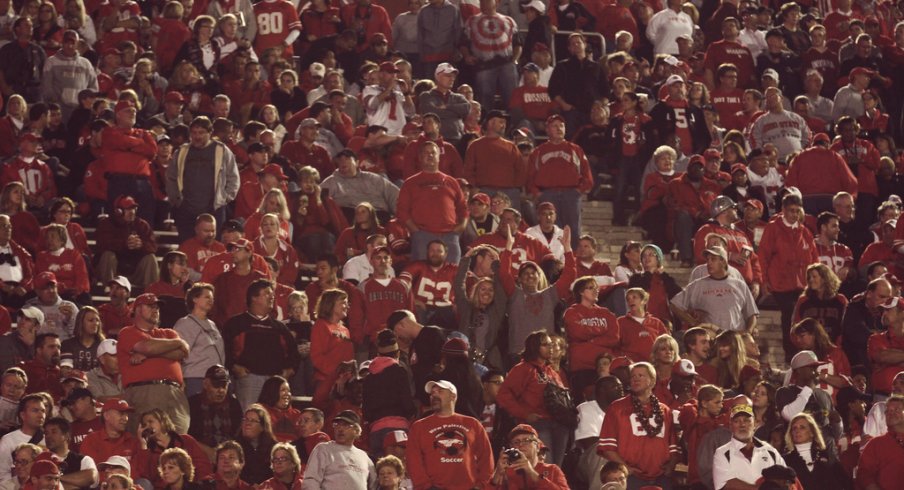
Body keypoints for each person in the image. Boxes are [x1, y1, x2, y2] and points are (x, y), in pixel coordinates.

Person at [117, 293, 190, 434]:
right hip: (146, 391)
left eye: (157, 307)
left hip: (175, 393)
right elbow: (147, 347)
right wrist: (176, 344)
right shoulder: (127, 332)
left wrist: (149, 354)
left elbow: (183, 352)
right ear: (138, 309)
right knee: (149, 439)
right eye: (150, 306)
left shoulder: (169, 333)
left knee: (179, 440)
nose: (155, 309)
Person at [598, 362, 679, 489]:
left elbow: (673, 447)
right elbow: (607, 448)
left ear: (652, 381)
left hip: (662, 478)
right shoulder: (616, 408)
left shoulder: (665, 410)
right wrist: (626, 468)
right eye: (633, 376)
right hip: (631, 478)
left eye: (641, 375)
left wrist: (670, 466)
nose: (635, 379)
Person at [759, 193, 819, 361]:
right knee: (791, 314)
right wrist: (764, 281)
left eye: (797, 210)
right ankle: (790, 354)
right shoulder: (773, 229)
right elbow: (763, 255)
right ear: (783, 210)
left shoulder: (804, 232)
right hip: (780, 285)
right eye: (791, 210)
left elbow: (814, 259)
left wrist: (817, 282)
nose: (794, 214)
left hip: (802, 285)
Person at [223, 279, 299, 409]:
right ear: (254, 298)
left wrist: (289, 371)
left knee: (274, 419)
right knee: (249, 418)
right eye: (267, 293)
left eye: (272, 294)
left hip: (275, 381)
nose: (272, 297)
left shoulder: (279, 327)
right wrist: (234, 367)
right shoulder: (235, 323)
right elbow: (224, 350)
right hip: (248, 380)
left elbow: (294, 353)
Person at [406, 380, 493, 488]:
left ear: (452, 396)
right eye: (432, 393)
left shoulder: (472, 424)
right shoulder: (418, 427)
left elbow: (486, 457)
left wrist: (481, 485)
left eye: (440, 391)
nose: (434, 395)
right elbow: (413, 461)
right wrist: (426, 487)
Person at [166, 116, 240, 243]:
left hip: (214, 210)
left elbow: (233, 178)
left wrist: (224, 198)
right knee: (187, 247)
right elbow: (171, 177)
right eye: (194, 133)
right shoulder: (182, 151)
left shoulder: (222, 151)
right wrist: (176, 200)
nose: (197, 136)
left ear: (210, 133)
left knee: (212, 248)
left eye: (201, 133)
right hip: (186, 210)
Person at [525, 116, 592, 245]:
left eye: (561, 125)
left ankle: (572, 260)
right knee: (550, 231)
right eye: (555, 126)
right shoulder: (538, 151)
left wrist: (578, 191)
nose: (559, 128)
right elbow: (530, 177)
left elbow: (587, 175)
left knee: (573, 232)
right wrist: (538, 193)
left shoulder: (575, 150)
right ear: (547, 129)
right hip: (548, 194)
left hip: (571, 194)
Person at [397, 141, 467, 263]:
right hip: (422, 236)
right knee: (421, 274)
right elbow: (402, 211)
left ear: (439, 157)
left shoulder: (451, 181)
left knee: (453, 274)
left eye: (433, 153)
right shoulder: (410, 183)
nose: (430, 155)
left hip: (450, 235)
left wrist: (460, 227)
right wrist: (415, 231)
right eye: (426, 153)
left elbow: (463, 208)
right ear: (420, 157)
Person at [671, 246, 759, 333]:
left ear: (724, 262)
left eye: (713, 259)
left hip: (735, 338)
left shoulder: (740, 285)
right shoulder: (698, 285)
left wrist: (749, 332)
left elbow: (752, 313)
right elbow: (674, 305)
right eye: (707, 260)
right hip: (710, 339)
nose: (709, 263)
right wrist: (694, 323)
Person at [99, 101, 158, 225]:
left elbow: (152, 151)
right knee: (118, 221)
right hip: (119, 182)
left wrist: (129, 146)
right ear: (118, 115)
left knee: (144, 222)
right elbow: (121, 141)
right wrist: (140, 144)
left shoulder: (144, 133)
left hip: (142, 183)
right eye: (128, 111)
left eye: (134, 111)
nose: (132, 113)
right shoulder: (109, 132)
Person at [712, 403, 785, 490]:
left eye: (746, 420)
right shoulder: (721, 453)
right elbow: (726, 486)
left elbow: (786, 478)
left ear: (754, 424)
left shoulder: (770, 451)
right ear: (730, 426)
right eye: (737, 421)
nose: (742, 425)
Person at [463, 111, 526, 210]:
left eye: (504, 123)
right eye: (501, 122)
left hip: (509, 192)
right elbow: (468, 170)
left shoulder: (511, 146)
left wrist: (516, 188)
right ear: (491, 123)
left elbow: (520, 169)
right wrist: (475, 187)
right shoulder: (475, 145)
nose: (504, 125)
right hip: (484, 191)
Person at [776, 351, 839, 449]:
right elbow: (791, 416)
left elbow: (833, 431)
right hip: (797, 454)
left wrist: (838, 423)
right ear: (798, 371)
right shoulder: (784, 392)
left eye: (816, 367)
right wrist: (809, 388)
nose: (816, 370)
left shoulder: (823, 395)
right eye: (811, 367)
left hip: (824, 455)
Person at [94, 195, 159, 289]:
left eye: (134, 208)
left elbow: (154, 246)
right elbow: (102, 244)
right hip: (113, 273)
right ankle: (110, 290)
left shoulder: (142, 224)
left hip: (135, 272)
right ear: (118, 211)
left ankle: (151, 293)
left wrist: (141, 245)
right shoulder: (107, 224)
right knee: (108, 255)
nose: (132, 212)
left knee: (151, 258)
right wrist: (124, 244)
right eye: (128, 209)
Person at [547, 33, 605, 137]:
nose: (576, 45)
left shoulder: (597, 67)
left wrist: (600, 106)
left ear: (585, 45)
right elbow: (553, 89)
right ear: (569, 48)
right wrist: (564, 105)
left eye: (578, 42)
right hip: (571, 112)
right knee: (571, 139)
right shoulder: (562, 66)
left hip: (591, 112)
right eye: (573, 44)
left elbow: (605, 90)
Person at [138, 409, 211, 489]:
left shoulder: (186, 440)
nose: (147, 426)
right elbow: (144, 476)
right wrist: (143, 445)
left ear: (162, 421)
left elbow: (203, 465)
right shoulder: (148, 450)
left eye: (150, 422)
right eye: (144, 424)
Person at [301, 411, 375, 489]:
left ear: (356, 431)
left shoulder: (363, 456)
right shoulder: (323, 449)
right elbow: (311, 480)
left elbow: (374, 485)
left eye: (345, 425)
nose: (340, 429)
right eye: (337, 425)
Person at [173, 283, 223, 397]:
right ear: (194, 299)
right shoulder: (185, 323)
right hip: (195, 378)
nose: (211, 300)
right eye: (207, 297)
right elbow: (178, 354)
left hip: (216, 379)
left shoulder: (212, 324)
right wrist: (179, 379)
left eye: (212, 298)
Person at [78, 398, 142, 480]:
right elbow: (88, 473)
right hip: (101, 487)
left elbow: (139, 471)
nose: (126, 418)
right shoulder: (91, 440)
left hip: (128, 485)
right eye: (121, 413)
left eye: (126, 414)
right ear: (106, 416)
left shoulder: (133, 441)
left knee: (144, 482)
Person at [489, 424, 568, 489]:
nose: (520, 444)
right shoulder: (507, 472)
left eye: (526, 440)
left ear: (537, 447)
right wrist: (497, 475)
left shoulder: (552, 470)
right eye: (516, 442)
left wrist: (532, 473)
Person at [782, 412, 848, 489]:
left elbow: (844, 482)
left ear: (812, 432)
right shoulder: (785, 461)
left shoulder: (828, 456)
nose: (797, 431)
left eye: (802, 427)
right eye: (794, 428)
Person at [187, 365, 242, 454]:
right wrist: (209, 451)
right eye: (216, 385)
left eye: (224, 386)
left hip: (228, 452)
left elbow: (237, 436)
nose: (221, 390)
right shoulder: (193, 403)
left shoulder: (233, 404)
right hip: (199, 452)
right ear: (205, 384)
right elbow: (188, 437)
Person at [0, 394, 46, 484]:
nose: (41, 415)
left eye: (43, 411)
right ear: (22, 415)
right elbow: (2, 473)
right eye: (35, 411)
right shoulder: (8, 440)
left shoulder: (48, 438)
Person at [236, 405, 277, 485]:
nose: (247, 423)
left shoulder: (274, 448)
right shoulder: (234, 447)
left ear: (262, 427)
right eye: (245, 419)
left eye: (253, 421)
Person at [0, 308, 41, 372]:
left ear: (37, 327)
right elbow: (8, 370)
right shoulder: (5, 340)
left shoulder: (42, 343)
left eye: (28, 319)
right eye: (21, 318)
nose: (22, 322)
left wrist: (30, 345)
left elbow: (41, 368)